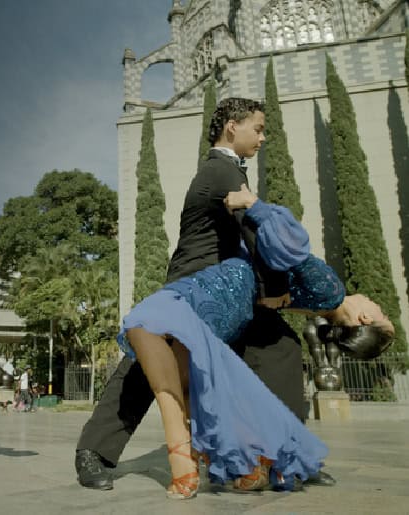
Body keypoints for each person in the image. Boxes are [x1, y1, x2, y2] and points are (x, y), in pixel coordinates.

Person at [75, 97, 315, 490]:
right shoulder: (221, 170)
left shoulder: (227, 170)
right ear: (232, 126)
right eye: (258, 128)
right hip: (197, 282)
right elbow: (253, 229)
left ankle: (282, 458)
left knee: (281, 347)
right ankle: (93, 451)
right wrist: (275, 289)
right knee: (146, 365)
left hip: (230, 287)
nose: (263, 138)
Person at [119, 187, 394, 499]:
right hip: (235, 303)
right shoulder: (320, 307)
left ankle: (187, 452)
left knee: (144, 323)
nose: (377, 305)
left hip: (228, 286)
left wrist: (252, 204)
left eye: (382, 314)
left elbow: (291, 250)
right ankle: (222, 459)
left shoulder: (331, 290)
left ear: (365, 320)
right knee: (183, 368)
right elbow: (275, 288)